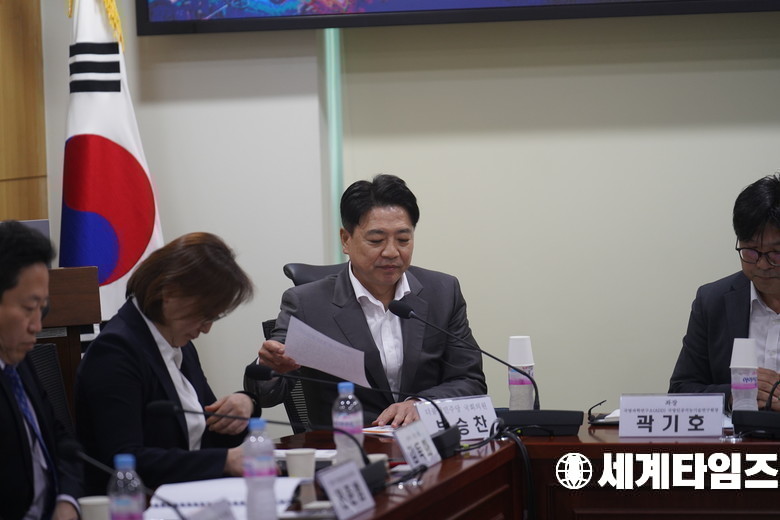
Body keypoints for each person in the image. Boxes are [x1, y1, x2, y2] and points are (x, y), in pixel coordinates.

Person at [245, 174, 486, 428]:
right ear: (345, 240)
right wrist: (268, 368)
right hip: (349, 445)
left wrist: (421, 404)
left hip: (426, 441)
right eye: (376, 240)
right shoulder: (306, 304)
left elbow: (470, 381)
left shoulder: (442, 292)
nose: (391, 252)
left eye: (403, 240)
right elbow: (267, 395)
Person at [76, 232, 255, 493]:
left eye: (214, 318)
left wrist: (245, 404)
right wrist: (224, 461)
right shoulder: (115, 352)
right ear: (170, 293)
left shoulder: (178, 343)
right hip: (136, 504)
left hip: (189, 493)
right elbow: (125, 460)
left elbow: (208, 432)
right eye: (204, 315)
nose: (207, 329)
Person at [670, 174, 780, 411]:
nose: (762, 264)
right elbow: (681, 389)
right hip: (736, 434)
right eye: (751, 251)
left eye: (776, 253)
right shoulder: (712, 301)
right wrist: (735, 395)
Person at [0, 220, 82, 520]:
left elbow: (63, 442)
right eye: (28, 308)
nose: (37, 326)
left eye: (42, 308)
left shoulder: (18, 361)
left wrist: (67, 501)